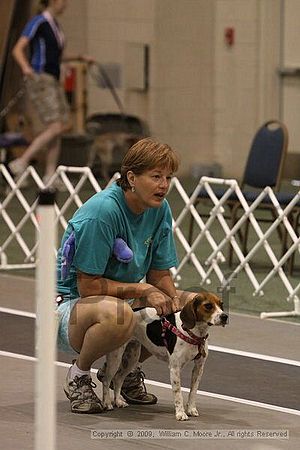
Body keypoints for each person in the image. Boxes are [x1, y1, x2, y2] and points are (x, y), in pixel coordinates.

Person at [56, 137, 193, 414]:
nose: (164, 185)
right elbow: (88, 287)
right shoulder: (102, 212)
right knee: (121, 315)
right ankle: (79, 375)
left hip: (117, 301)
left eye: (168, 177)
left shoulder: (159, 209)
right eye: (156, 177)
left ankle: (123, 372)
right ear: (132, 177)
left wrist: (175, 304)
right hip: (70, 308)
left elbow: (159, 273)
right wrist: (143, 291)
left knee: (188, 303)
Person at [9, 0, 92, 184]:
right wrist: (25, 67)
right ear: (53, 1)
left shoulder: (55, 25)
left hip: (53, 79)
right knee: (55, 125)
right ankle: (21, 162)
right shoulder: (39, 21)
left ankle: (49, 174)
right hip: (40, 78)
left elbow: (56, 56)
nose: (66, 4)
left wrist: (80, 57)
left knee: (61, 125)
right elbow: (18, 49)